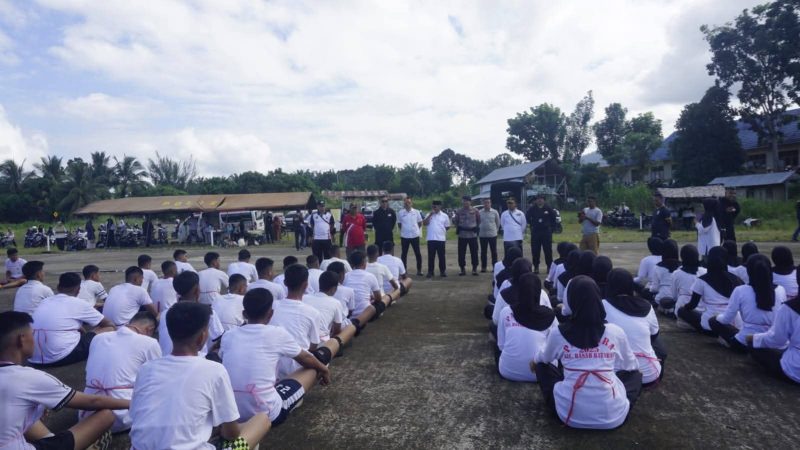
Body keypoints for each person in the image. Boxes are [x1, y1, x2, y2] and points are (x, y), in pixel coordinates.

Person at [130, 302, 270, 449]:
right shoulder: (214, 370)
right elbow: (231, 433)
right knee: (261, 420)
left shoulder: (146, 369)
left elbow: (136, 415)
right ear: (202, 336)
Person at [0, 310, 129, 450]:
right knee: (106, 415)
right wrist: (132, 403)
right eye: (33, 334)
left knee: (23, 411)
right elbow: (93, 401)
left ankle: (49, 438)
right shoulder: (28, 378)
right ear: (22, 340)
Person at [533, 276, 642, 429]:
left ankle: (569, 405)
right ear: (598, 298)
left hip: (568, 415)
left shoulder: (559, 333)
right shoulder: (615, 332)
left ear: (571, 300)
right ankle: (616, 406)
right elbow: (632, 366)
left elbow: (542, 359)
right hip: (613, 418)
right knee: (636, 375)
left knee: (541, 367)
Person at [221, 288, 332, 427]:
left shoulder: (229, 335)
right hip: (267, 414)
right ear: (270, 314)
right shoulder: (277, 333)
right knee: (312, 368)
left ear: (244, 314)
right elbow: (306, 358)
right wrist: (324, 369)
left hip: (233, 413)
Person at [79, 311, 161, 433]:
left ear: (130, 323)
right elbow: (158, 380)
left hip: (87, 412)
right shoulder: (149, 343)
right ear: (150, 329)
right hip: (122, 415)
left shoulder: (98, 338)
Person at [30, 272, 116, 366]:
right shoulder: (79, 303)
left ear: (58, 287)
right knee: (109, 328)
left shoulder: (45, 301)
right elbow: (108, 324)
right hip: (60, 357)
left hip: (33, 358)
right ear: (78, 290)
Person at [710, 254, 787, 353]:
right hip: (774, 343)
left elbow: (726, 319)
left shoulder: (740, 290)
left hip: (746, 342)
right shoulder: (781, 290)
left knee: (713, 321)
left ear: (748, 271)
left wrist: (717, 316)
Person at [603, 269, 665, 386]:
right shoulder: (647, 305)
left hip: (616, 378)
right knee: (658, 344)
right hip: (650, 375)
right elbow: (654, 335)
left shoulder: (602, 305)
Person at [269, 264, 328, 378]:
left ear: (285, 283)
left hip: (272, 364)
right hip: (297, 369)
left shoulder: (272, 306)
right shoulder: (312, 312)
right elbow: (313, 346)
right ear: (306, 285)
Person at [497, 273, 556, 382]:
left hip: (508, 371)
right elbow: (555, 347)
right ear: (539, 292)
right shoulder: (550, 316)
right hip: (542, 374)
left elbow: (501, 345)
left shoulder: (506, 312)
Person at [158, 271, 225, 359]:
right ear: (197, 290)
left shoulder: (165, 314)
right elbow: (219, 341)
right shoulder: (208, 312)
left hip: (166, 359)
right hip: (196, 362)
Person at [678, 246, 742, 334]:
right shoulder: (737, 280)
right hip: (734, 323)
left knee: (682, 311)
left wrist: (684, 307)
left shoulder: (702, 280)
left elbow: (692, 305)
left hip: (708, 326)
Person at [746, 292, 800, 384]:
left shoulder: (790, 308)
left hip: (794, 370)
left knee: (754, 343)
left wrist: (753, 338)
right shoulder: (781, 290)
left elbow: (777, 340)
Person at [304, 271, 358, 344]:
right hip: (320, 343)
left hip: (304, 339)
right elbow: (337, 329)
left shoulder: (305, 297)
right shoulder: (335, 303)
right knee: (351, 328)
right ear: (334, 289)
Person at [670, 245, 707, 326]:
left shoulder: (676, 273)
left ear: (682, 257)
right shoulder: (705, 272)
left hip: (683, 311)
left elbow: (674, 296)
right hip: (703, 311)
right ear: (697, 256)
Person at [344, 251, 383, 326]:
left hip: (349, 315)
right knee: (381, 304)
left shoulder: (346, 276)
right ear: (364, 262)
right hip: (366, 314)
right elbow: (378, 298)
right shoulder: (370, 276)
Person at [526, 194, 557, 275]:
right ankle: (536, 267)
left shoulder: (548, 208)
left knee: (548, 250)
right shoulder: (532, 209)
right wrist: (532, 225)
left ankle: (549, 266)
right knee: (535, 250)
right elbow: (527, 218)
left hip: (546, 232)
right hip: (536, 232)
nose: (539, 200)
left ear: (544, 200)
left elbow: (554, 218)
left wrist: (551, 229)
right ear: (536, 200)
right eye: (538, 199)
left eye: (541, 199)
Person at [648, 239, 681, 311]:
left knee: (646, 292)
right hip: (678, 298)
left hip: (662, 298)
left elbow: (654, 288)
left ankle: (664, 309)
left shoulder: (658, 267)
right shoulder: (682, 267)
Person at [453, 195, 481, 276]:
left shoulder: (475, 210)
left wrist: (474, 227)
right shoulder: (459, 211)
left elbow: (479, 220)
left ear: (470, 201)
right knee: (461, 253)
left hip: (472, 235)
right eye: (464, 201)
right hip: (462, 235)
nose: (465, 202)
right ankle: (462, 269)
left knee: (474, 253)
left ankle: (474, 269)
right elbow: (456, 221)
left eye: (467, 201)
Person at [423, 200, 451, 278]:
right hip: (431, 239)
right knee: (431, 256)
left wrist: (441, 231)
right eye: (433, 206)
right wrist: (430, 215)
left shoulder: (444, 215)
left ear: (440, 206)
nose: (434, 207)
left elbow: (447, 226)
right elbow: (424, 223)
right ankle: (430, 272)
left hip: (441, 239)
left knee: (441, 256)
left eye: (436, 206)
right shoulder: (429, 214)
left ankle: (442, 271)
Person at [398, 196, 424, 276]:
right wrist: (405, 230)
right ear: (404, 204)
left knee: (418, 253)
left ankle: (419, 270)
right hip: (405, 236)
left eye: (409, 202)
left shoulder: (416, 212)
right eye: (406, 203)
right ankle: (404, 271)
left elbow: (420, 223)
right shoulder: (400, 213)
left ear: (411, 203)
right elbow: (399, 224)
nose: (407, 204)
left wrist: (415, 230)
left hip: (414, 236)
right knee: (404, 254)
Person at [479, 197, 501, 274]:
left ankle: (495, 267)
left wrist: (496, 231)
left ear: (490, 203)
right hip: (482, 235)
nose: (486, 204)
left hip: (492, 235)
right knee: (483, 252)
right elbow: (478, 222)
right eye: (485, 202)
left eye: (488, 202)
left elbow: (498, 223)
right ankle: (483, 267)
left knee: (494, 252)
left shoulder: (495, 212)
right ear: (483, 204)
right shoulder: (480, 212)